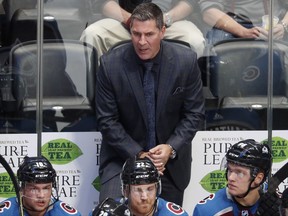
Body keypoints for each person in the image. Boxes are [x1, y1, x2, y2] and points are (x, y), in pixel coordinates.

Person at [95, 2, 205, 206]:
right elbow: (107, 121)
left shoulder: (186, 62)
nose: (142, 42)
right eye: (136, 34)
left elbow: (194, 115)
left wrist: (171, 148)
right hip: (122, 159)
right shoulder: (110, 64)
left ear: (162, 31)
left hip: (168, 164)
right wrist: (139, 154)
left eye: (149, 34)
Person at [80, 0, 205, 59]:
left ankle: (184, 97)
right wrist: (132, 20)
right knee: (92, 34)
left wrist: (165, 19)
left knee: (194, 40)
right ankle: (98, 99)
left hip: (168, 20)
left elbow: (189, 3)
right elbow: (103, 2)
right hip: (124, 20)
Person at [192, 139, 279, 216]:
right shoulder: (206, 211)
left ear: (258, 178)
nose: (231, 178)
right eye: (230, 170)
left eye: (239, 173)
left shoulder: (277, 204)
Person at [0, 155, 82, 216]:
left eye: (46, 188)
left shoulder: (66, 214)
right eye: (34, 189)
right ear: (22, 189)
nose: (41, 195)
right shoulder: (5, 213)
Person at [120, 157, 189, 216]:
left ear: (157, 189)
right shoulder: (112, 211)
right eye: (138, 190)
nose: (144, 197)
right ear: (125, 191)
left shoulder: (173, 215)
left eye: (150, 189)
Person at [198, 0, 288, 45]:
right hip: (231, 25)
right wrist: (242, 32)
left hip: (272, 25)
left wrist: (283, 25)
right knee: (220, 61)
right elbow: (209, 12)